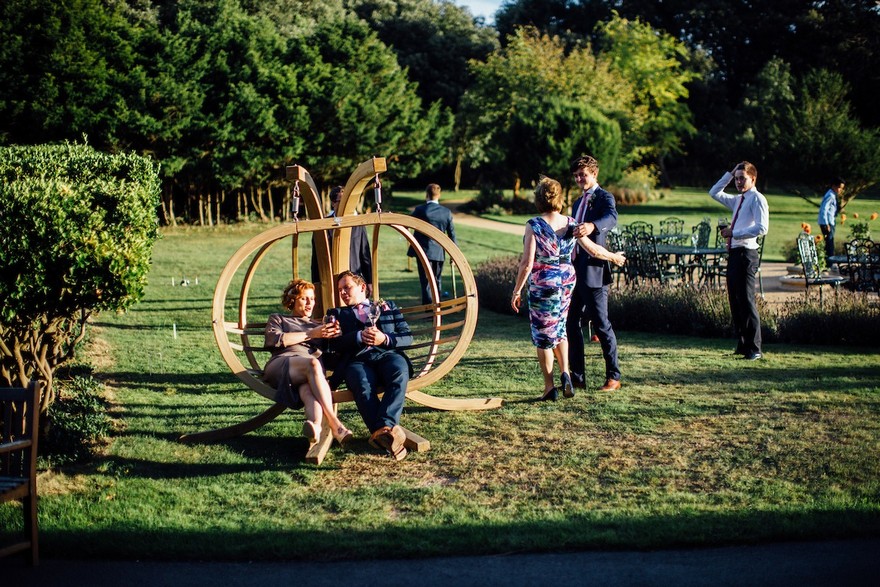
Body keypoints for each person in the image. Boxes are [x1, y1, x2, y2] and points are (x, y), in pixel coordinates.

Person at [511, 177, 626, 401]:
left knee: (544, 334)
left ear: (538, 199)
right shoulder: (571, 223)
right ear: (559, 198)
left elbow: (526, 264)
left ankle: (548, 387)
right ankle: (566, 374)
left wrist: (516, 290)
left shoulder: (534, 225)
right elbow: (593, 249)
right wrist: (613, 257)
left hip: (544, 282)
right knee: (561, 329)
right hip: (566, 280)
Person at [325, 271, 414, 461]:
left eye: (347, 287)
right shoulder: (336, 314)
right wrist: (356, 337)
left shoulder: (387, 306)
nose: (342, 293)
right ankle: (388, 433)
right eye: (340, 289)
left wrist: (385, 338)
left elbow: (407, 337)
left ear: (362, 287)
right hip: (356, 360)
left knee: (399, 372)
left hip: (387, 354)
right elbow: (331, 345)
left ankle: (383, 429)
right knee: (361, 384)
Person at [262, 278, 353, 445]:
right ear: (292, 300)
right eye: (304, 298)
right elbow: (274, 340)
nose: (310, 303)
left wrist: (336, 336)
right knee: (312, 363)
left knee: (308, 391)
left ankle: (315, 427)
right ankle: (335, 424)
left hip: (309, 374)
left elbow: (334, 354)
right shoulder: (279, 319)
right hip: (282, 363)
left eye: (312, 298)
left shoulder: (319, 325)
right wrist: (312, 334)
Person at [565, 155, 622, 392]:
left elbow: (612, 218)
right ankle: (578, 376)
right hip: (574, 270)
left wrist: (592, 226)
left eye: (584, 175)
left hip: (595, 271)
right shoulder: (578, 203)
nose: (580, 179)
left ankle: (614, 377)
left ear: (594, 174)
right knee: (571, 323)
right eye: (577, 175)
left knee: (601, 325)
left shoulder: (604, 197)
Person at [709, 161, 770, 361]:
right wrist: (729, 172)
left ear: (753, 179)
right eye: (737, 178)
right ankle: (743, 345)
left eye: (742, 178)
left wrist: (735, 233)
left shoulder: (757, 199)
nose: (738, 181)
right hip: (735, 253)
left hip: (747, 254)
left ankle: (755, 348)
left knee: (746, 300)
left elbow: (762, 228)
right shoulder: (738, 200)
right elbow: (714, 192)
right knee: (735, 301)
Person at [310, 185, 373, 300]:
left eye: (348, 201)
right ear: (333, 203)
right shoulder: (322, 226)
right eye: (342, 201)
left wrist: (369, 281)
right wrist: (316, 285)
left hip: (354, 280)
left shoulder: (358, 224)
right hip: (329, 280)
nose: (346, 205)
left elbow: (365, 255)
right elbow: (316, 259)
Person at [407, 183, 457, 304]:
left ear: (427, 195)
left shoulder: (420, 210)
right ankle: (437, 305)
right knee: (437, 279)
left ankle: (428, 307)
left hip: (423, 250)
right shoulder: (446, 212)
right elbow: (452, 234)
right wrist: (454, 255)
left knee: (426, 281)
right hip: (439, 251)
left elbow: (407, 223)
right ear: (439, 195)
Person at [818, 177, 845, 259]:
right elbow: (824, 209)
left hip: (830, 221)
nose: (840, 190)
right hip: (827, 223)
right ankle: (830, 262)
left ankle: (828, 261)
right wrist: (826, 223)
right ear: (834, 186)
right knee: (829, 243)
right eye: (839, 187)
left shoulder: (832, 194)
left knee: (829, 242)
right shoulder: (830, 195)